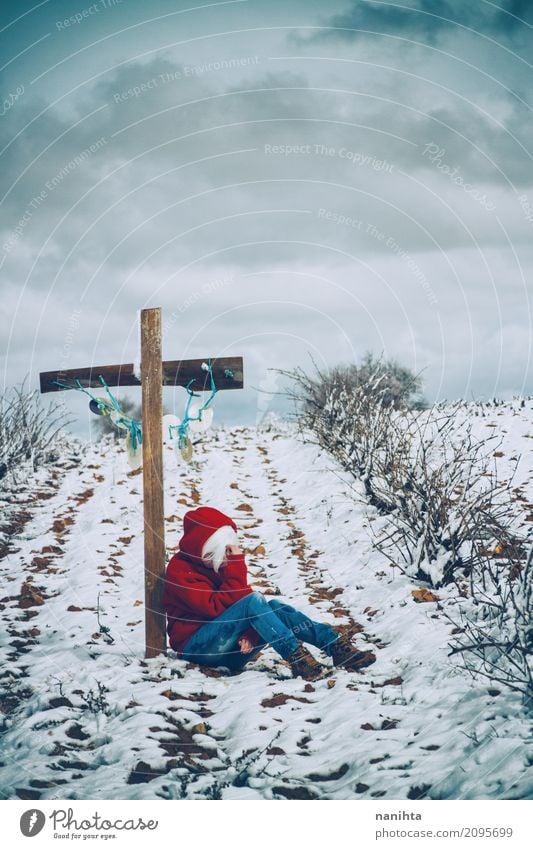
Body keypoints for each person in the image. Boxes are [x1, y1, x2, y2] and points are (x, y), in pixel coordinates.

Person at [162, 506, 376, 681]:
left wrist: (251, 634)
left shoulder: (216, 567)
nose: (222, 559)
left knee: (275, 608)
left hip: (229, 653)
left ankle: (336, 647)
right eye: (213, 554)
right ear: (199, 548)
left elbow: (244, 609)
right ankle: (297, 659)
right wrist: (236, 566)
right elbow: (216, 607)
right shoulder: (179, 570)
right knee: (254, 600)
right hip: (197, 649)